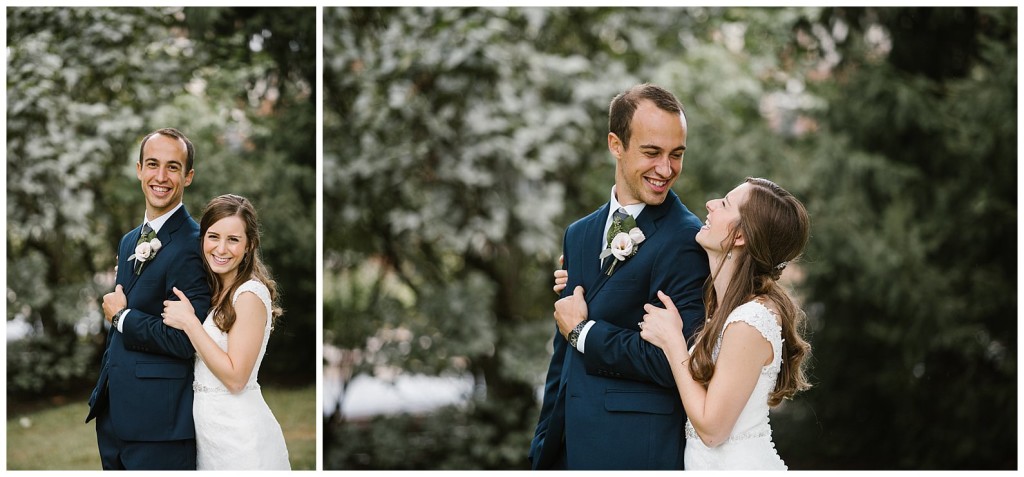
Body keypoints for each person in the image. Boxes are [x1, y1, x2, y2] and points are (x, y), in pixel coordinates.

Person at [554, 177, 812, 469]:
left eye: (725, 204)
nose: (710, 204)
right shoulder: (721, 306)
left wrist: (673, 342)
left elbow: (713, 430)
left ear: (739, 236)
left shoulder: (750, 321)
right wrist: (584, 275)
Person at [529, 83, 710, 470]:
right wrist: (544, 439)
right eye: (652, 152)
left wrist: (584, 332)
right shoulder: (578, 234)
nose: (666, 169)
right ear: (616, 144)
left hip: (635, 451)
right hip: (566, 448)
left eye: (676, 155)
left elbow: (677, 361)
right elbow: (563, 354)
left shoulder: (685, 238)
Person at [86, 128, 212, 470]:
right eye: (153, 164)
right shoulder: (129, 241)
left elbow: (187, 339)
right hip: (114, 415)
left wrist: (121, 317)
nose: (161, 176)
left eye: (173, 167)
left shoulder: (195, 244)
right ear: (139, 169)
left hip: (159, 424)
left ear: (188, 177)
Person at [160, 194, 291, 470]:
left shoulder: (249, 294)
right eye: (213, 236)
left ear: (249, 245)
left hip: (241, 439)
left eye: (233, 239)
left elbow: (235, 378)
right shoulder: (215, 292)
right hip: (211, 438)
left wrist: (190, 324)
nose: (221, 248)